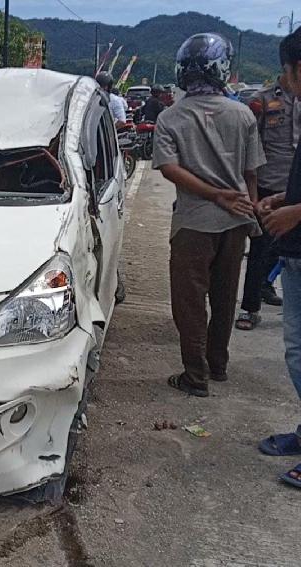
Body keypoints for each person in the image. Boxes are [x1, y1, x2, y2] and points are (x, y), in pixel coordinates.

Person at [153, 32, 266, 398]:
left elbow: (169, 168)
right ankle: (218, 365)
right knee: (224, 296)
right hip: (235, 223)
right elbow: (252, 174)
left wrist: (214, 194)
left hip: (193, 224)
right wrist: (250, 215)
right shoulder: (244, 114)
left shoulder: (170, 117)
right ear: (223, 70)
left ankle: (195, 375)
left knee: (189, 302)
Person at [256, 28, 301, 489]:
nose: (282, 81)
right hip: (295, 252)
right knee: (296, 353)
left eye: (285, 72)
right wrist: (281, 202)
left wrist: (296, 212)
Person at [235, 74, 300, 330]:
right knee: (260, 249)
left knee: (285, 250)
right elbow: (251, 144)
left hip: (296, 187)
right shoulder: (260, 100)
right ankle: (249, 309)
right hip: (268, 184)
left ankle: (265, 285)